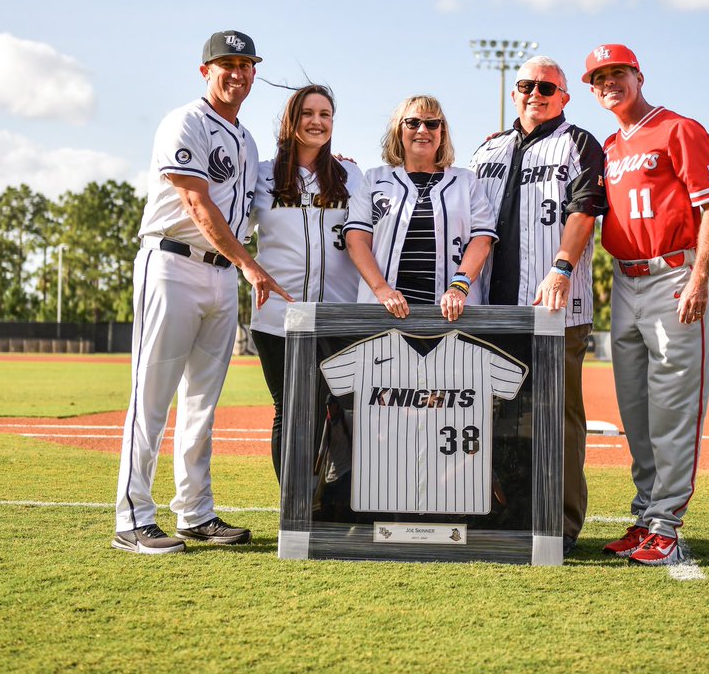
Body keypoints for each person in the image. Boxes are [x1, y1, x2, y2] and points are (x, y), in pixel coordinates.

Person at [113, 30, 292, 555]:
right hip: (171, 263)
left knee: (201, 402)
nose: (237, 73)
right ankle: (133, 516)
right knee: (151, 397)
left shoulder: (247, 139)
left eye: (246, 64)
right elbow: (195, 204)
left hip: (220, 274)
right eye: (226, 63)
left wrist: (327, 162)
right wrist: (250, 266)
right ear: (205, 71)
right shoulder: (185, 120)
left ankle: (194, 512)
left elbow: (272, 196)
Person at [584, 43, 709, 566]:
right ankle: (646, 513)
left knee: (672, 406)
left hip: (673, 274)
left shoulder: (678, 128)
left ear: (638, 76)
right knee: (636, 409)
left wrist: (700, 277)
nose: (609, 84)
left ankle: (667, 522)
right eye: (598, 79)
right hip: (625, 281)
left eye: (617, 73)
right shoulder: (609, 145)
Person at [469, 56, 606, 557]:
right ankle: (503, 517)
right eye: (526, 84)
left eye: (547, 86)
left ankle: (561, 526)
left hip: (555, 310)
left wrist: (562, 267)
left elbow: (585, 209)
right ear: (514, 93)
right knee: (495, 418)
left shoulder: (578, 142)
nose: (535, 92)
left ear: (563, 96)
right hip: (490, 312)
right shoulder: (487, 148)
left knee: (558, 419)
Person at [247, 84, 363, 481]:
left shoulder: (350, 174)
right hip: (279, 315)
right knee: (291, 411)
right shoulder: (261, 174)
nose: (317, 122)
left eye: (325, 114)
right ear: (291, 120)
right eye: (307, 114)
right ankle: (294, 512)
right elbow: (234, 230)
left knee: (342, 409)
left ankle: (334, 506)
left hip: (339, 314)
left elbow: (369, 234)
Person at [344, 95, 496, 321]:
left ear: (442, 131)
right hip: (384, 312)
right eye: (413, 123)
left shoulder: (467, 181)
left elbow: (482, 239)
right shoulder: (374, 179)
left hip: (453, 313)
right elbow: (356, 240)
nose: (423, 130)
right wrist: (382, 290)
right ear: (399, 129)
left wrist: (459, 287)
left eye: (432, 123)